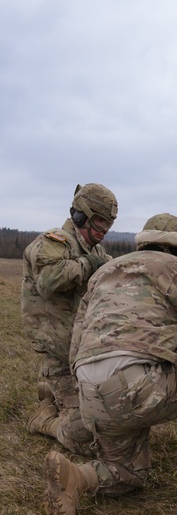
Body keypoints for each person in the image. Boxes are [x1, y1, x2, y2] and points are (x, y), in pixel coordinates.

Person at [44, 213, 177, 515]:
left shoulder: (102, 273)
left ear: (143, 242)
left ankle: (76, 478)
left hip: (90, 391)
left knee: (128, 474)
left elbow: (75, 346)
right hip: (137, 386)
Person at [22, 183, 117, 455]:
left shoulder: (95, 251)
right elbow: (49, 281)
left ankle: (48, 391)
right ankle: (45, 421)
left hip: (83, 352)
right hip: (60, 352)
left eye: (108, 224)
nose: (104, 230)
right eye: (99, 222)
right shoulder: (54, 242)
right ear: (80, 216)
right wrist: (88, 266)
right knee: (88, 436)